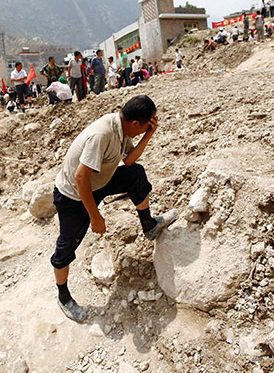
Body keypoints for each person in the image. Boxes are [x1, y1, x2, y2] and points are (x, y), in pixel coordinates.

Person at [50, 95, 178, 322]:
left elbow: (128, 161)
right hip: (74, 195)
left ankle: (149, 225)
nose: (142, 132)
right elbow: (81, 177)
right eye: (144, 127)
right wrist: (95, 216)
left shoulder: (122, 128)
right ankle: (63, 296)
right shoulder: (103, 133)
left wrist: (149, 135)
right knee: (67, 246)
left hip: (98, 181)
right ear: (135, 123)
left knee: (135, 174)